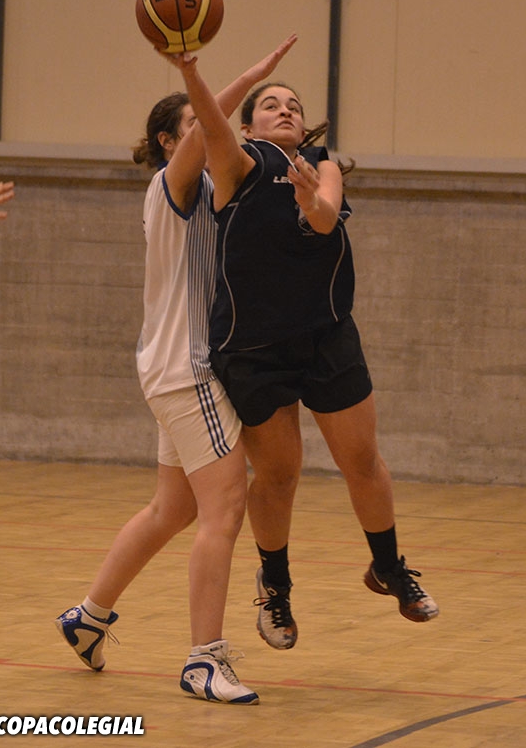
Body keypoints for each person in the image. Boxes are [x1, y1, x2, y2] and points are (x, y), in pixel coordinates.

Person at [55, 35, 297, 703]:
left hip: (170, 366)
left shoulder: (222, 189)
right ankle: (203, 661)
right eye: (195, 122)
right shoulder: (173, 183)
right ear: (169, 142)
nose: (212, 128)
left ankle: (88, 616)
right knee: (225, 507)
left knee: (173, 508)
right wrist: (238, 74)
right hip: (188, 369)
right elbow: (210, 131)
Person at [173, 45, 439, 653]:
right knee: (280, 473)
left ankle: (388, 566)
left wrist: (308, 199)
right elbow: (210, 121)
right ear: (248, 125)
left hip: (324, 334)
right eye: (271, 104)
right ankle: (277, 587)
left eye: (293, 104)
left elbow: (323, 220)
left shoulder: (320, 165)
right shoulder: (236, 163)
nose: (286, 109)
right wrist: (192, 71)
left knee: (362, 460)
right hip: (253, 347)